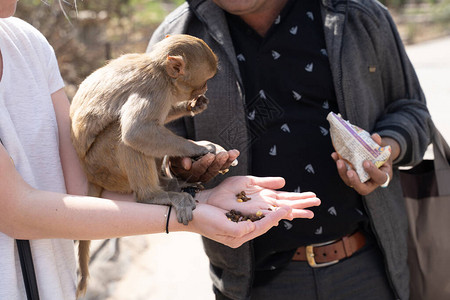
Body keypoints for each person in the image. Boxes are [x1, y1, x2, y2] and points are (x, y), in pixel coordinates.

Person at [0, 1, 321, 299]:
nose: (202, 91)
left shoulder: (29, 44)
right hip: (104, 153)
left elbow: (77, 192)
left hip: (54, 284)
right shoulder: (153, 80)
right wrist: (189, 163)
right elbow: (136, 132)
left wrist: (202, 199)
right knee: (140, 137)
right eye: (198, 83)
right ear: (176, 67)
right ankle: (153, 192)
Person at [147, 0, 431, 299]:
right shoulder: (175, 38)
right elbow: (148, 154)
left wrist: (384, 149)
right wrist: (180, 169)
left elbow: (411, 111)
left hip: (366, 270)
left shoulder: (360, 16)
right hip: (252, 283)